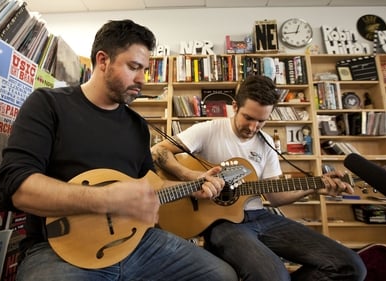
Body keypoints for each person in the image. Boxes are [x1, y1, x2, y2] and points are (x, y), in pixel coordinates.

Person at [0, 19, 238, 281]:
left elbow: (147, 186)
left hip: (137, 243)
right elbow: (19, 189)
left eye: (144, 69)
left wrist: (193, 183)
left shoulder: (137, 126)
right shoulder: (48, 105)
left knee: (221, 275)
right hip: (57, 249)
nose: (141, 79)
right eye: (133, 67)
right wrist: (107, 198)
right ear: (103, 60)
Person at [151, 75, 367, 281]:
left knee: (350, 266)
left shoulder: (266, 144)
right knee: (273, 277)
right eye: (248, 117)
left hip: (261, 217)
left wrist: (314, 187)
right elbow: (158, 151)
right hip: (222, 224)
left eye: (261, 121)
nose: (253, 128)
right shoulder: (208, 130)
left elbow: (276, 197)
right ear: (235, 106)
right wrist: (193, 177)